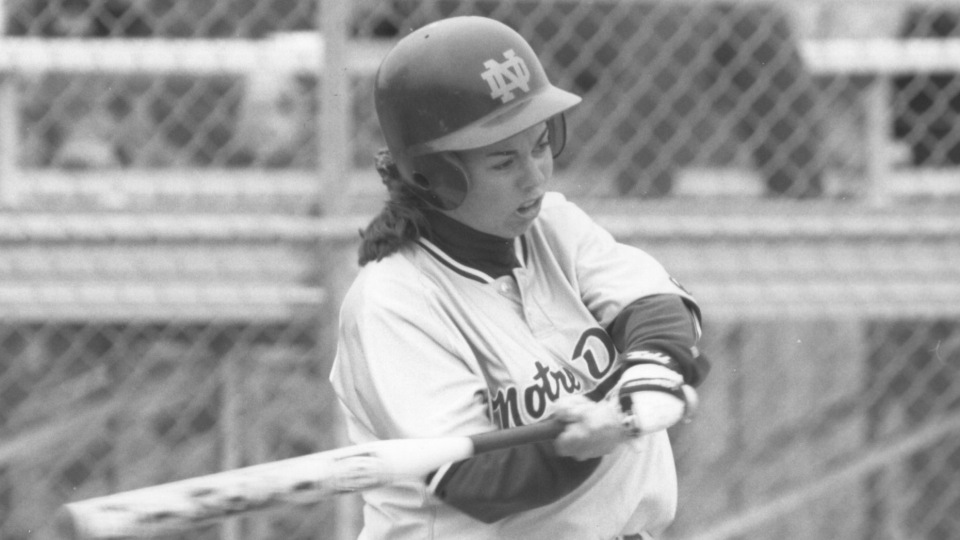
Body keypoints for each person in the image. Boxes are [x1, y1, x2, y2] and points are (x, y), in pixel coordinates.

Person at [330, 16, 709, 540]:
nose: (534, 176)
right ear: (434, 175)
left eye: (539, 145)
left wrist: (652, 371)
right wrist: (574, 443)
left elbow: (655, 304)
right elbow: (473, 480)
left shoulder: (553, 227)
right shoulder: (393, 301)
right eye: (504, 161)